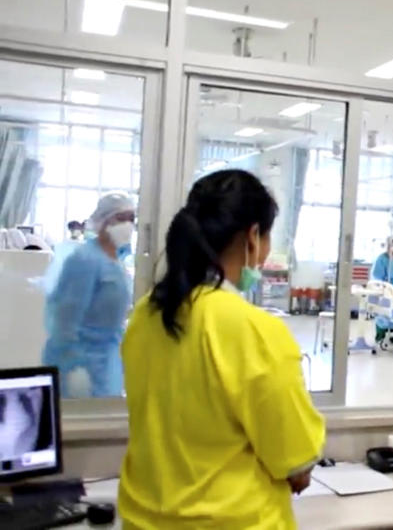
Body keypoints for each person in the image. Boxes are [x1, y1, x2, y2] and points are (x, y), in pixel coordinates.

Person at [118, 170, 325, 528]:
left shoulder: (147, 314)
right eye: (266, 239)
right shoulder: (253, 330)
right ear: (253, 236)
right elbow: (296, 462)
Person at [42, 192, 135, 398]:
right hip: (83, 362)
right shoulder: (85, 260)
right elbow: (64, 317)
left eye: (132, 219)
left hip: (107, 359)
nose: (128, 225)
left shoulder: (116, 261)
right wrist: (73, 362)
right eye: (121, 218)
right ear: (103, 221)